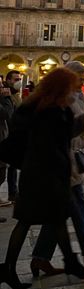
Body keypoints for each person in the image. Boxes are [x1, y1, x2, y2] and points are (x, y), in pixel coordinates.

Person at [0, 68, 84, 289]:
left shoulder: (33, 105)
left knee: (36, 220)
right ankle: (68, 262)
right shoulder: (52, 110)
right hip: (48, 172)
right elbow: (58, 140)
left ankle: (11, 267)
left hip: (34, 172)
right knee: (52, 216)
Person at [30, 61, 84, 276]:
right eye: (80, 80)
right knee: (77, 208)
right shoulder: (54, 101)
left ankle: (40, 257)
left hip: (70, 161)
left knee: (61, 212)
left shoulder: (77, 96)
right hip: (60, 164)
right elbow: (60, 133)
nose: (83, 84)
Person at [0, 70, 23, 207]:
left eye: (19, 78)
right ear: (7, 81)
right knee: (3, 170)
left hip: (12, 135)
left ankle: (13, 193)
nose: (18, 82)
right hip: (5, 136)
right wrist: (7, 99)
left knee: (12, 168)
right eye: (15, 79)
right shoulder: (5, 97)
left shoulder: (16, 96)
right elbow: (8, 114)